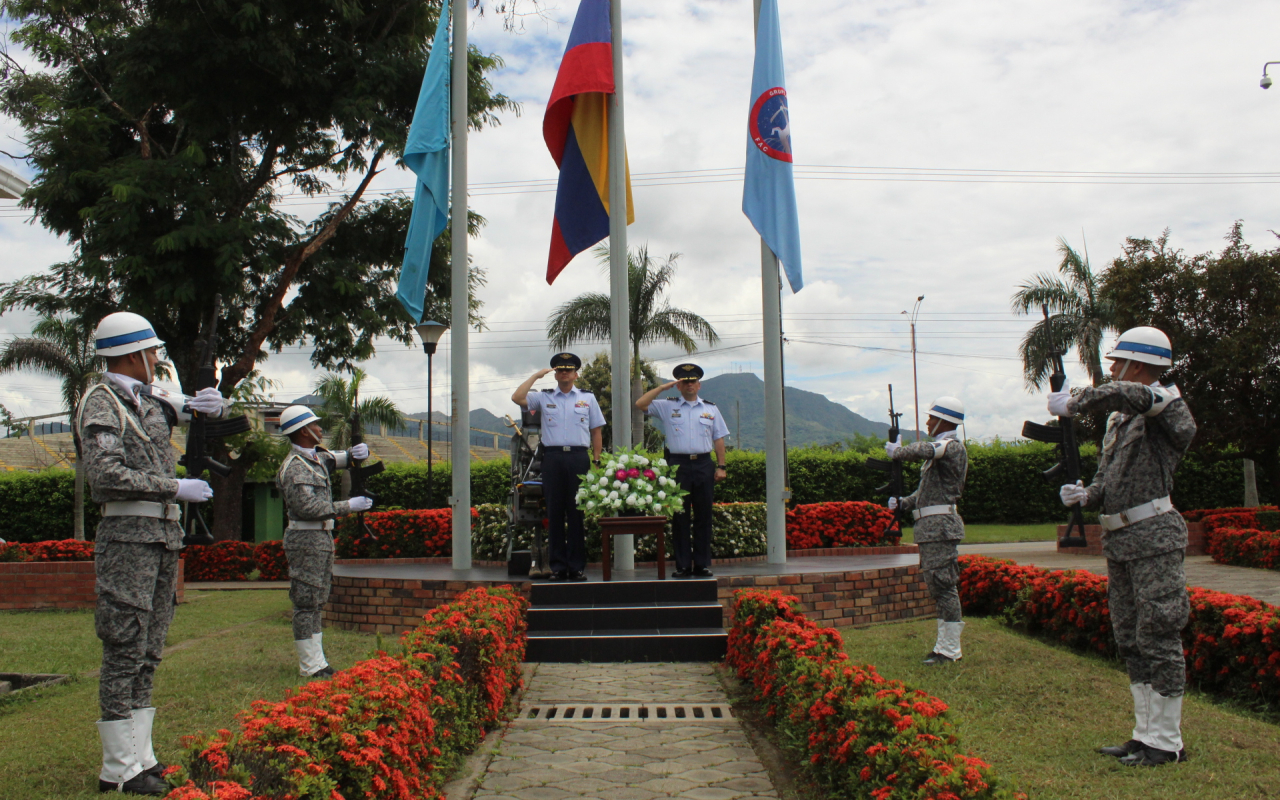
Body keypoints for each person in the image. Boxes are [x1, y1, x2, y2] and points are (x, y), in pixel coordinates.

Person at [78, 311, 225, 795]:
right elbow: (105, 476)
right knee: (124, 648)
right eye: (153, 352)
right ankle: (117, 768)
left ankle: (140, 757)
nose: (158, 360)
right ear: (133, 353)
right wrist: (174, 487)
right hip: (128, 542)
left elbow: (184, 406)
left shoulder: (141, 400)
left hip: (160, 538)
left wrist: (213, 406)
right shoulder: (102, 403)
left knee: (148, 651)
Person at [1050, 326, 1196, 767]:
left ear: (1139, 365)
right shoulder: (1121, 420)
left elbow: (1131, 394)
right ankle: (1145, 733)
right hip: (1121, 540)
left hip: (1154, 539)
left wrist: (1075, 401)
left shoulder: (1168, 405)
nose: (1111, 368)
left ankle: (1168, 742)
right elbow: (1109, 479)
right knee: (1131, 638)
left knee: (1160, 633)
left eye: (1118, 361)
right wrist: (1086, 495)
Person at [274, 405, 373, 678]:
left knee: (317, 599)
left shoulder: (315, 459)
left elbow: (338, 459)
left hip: (320, 537)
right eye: (315, 425)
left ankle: (318, 661)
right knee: (306, 600)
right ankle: (310, 665)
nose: (320, 429)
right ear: (303, 431)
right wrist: (347, 506)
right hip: (305, 537)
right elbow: (308, 507)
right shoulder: (294, 468)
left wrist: (355, 453)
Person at [885, 396, 968, 665]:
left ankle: (950, 650)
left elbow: (925, 449)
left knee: (944, 586)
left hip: (940, 530)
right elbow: (925, 493)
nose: (928, 421)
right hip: (931, 530)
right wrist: (904, 502)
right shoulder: (942, 450)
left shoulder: (951, 447)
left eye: (932, 417)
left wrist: (898, 452)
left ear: (945, 420)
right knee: (937, 586)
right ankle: (943, 646)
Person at [512, 353, 605, 581]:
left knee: (576, 513)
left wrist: (596, 461)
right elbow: (517, 397)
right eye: (560, 370)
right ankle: (557, 567)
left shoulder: (587, 398)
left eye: (568, 370)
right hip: (552, 458)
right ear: (555, 374)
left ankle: (576, 567)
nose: (564, 373)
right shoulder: (544, 398)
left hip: (578, 457)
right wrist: (535, 376)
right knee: (553, 513)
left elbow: (596, 431)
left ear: (575, 374)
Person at [635, 363, 728, 578]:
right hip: (678, 465)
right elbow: (640, 403)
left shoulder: (710, 409)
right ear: (679, 385)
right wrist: (662, 388)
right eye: (684, 382)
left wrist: (721, 466)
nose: (689, 385)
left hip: (704, 463)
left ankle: (702, 564)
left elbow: (719, 438)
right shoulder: (668, 406)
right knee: (680, 515)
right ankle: (683, 564)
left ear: (699, 385)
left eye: (693, 381)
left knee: (703, 515)